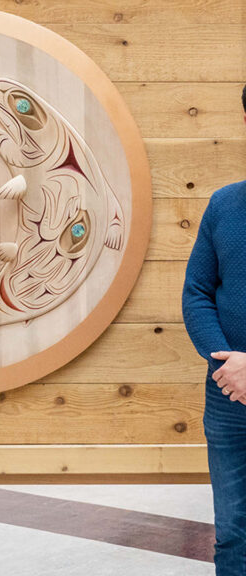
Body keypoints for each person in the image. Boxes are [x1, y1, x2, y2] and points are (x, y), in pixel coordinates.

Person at [182, 84, 246, 576]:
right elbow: (196, 295)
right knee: (233, 534)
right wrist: (228, 362)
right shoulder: (224, 205)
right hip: (229, 394)